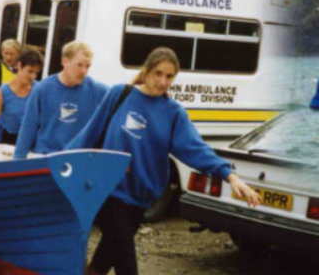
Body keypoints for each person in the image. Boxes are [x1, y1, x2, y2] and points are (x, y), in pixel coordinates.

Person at [65, 47, 261, 275]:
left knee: (106, 254)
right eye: (158, 73)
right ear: (147, 71)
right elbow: (90, 133)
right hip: (110, 190)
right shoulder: (120, 94)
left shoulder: (173, 113)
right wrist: (57, 163)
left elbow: (195, 148)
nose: (162, 81)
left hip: (141, 197)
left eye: (169, 76)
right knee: (126, 263)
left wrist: (230, 176)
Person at [14, 42, 107, 159]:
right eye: (79, 65)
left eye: (87, 66)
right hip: (45, 158)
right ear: (65, 61)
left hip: (78, 160)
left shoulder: (98, 91)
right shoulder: (42, 89)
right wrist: (18, 160)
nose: (83, 71)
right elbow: (27, 129)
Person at [0, 49, 43, 162]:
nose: (33, 76)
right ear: (19, 66)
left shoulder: (38, 89)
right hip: (9, 140)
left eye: (36, 73)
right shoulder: (3, 92)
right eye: (30, 71)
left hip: (31, 140)